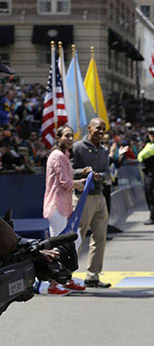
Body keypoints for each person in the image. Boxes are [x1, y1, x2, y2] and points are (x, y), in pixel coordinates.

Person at [42, 126, 87, 295]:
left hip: (64, 206)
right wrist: (79, 183)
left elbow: (68, 180)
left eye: (71, 136)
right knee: (61, 246)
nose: (70, 139)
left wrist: (82, 178)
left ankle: (66, 279)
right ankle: (52, 285)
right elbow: (65, 183)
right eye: (66, 136)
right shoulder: (57, 156)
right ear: (58, 137)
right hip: (56, 206)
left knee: (75, 241)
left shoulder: (64, 155)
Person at [72, 117, 112, 288]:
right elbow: (68, 170)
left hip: (99, 197)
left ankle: (93, 276)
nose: (101, 132)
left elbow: (108, 172)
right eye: (98, 128)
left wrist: (100, 176)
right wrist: (84, 171)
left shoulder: (103, 151)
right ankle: (67, 275)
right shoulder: (78, 148)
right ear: (89, 128)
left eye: (103, 129)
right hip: (83, 198)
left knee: (100, 237)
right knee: (78, 238)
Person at [138, 127, 154, 224]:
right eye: (150, 134)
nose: (152, 136)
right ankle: (151, 215)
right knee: (148, 193)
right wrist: (142, 155)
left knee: (152, 193)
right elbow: (140, 156)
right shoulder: (149, 144)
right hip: (147, 172)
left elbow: (144, 155)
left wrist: (143, 155)